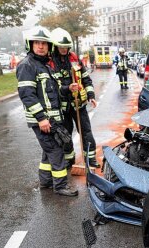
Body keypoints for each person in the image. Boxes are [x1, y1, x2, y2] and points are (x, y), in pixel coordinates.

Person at [16, 26, 78, 196]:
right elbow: (27, 95)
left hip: (51, 119)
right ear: (30, 44)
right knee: (56, 151)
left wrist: (67, 88)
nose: (41, 46)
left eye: (44, 43)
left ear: (49, 46)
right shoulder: (27, 65)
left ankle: (45, 181)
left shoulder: (45, 66)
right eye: (37, 42)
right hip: (43, 120)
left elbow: (55, 92)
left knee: (48, 151)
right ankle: (60, 186)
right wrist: (41, 118)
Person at [50, 27, 100, 168]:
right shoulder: (51, 63)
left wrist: (90, 95)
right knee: (65, 135)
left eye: (66, 47)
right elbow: (52, 87)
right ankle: (69, 159)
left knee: (86, 132)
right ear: (55, 46)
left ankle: (90, 158)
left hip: (79, 104)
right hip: (62, 107)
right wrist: (67, 88)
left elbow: (86, 79)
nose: (64, 49)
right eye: (61, 47)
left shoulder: (74, 58)